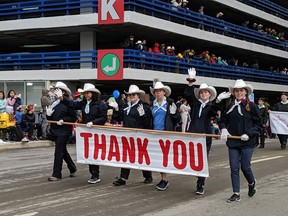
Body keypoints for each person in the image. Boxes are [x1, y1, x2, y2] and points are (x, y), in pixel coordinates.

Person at [184, 68, 231, 195]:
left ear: (209, 94)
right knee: (189, 158)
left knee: (203, 160)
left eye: (206, 92)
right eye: (202, 92)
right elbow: (188, 94)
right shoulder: (195, 103)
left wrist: (218, 101)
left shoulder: (211, 106)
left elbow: (213, 112)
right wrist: (190, 82)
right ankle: (194, 173)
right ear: (199, 94)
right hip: (192, 135)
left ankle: (200, 184)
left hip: (205, 136)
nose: (204, 94)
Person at [219, 79, 262, 203]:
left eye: (241, 90)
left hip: (247, 142)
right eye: (236, 91)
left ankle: (251, 182)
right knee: (234, 167)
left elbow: (259, 124)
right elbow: (223, 120)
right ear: (234, 93)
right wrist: (223, 129)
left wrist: (249, 133)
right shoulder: (230, 106)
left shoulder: (252, 106)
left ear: (245, 92)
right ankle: (236, 193)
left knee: (245, 166)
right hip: (233, 141)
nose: (239, 93)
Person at [59, 83, 108, 184]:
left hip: (96, 131)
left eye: (88, 93)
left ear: (93, 93)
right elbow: (72, 105)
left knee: (95, 152)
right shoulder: (84, 103)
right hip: (87, 132)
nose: (86, 95)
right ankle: (93, 174)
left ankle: (95, 174)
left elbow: (103, 117)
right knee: (90, 152)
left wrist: (94, 122)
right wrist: (62, 98)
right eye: (85, 93)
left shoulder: (100, 104)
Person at [112, 85, 153, 186]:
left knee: (141, 156)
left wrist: (143, 114)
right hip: (128, 135)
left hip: (140, 135)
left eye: (133, 94)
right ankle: (123, 178)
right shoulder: (126, 106)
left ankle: (148, 176)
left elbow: (148, 123)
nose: (131, 96)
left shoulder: (143, 106)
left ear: (138, 95)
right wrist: (116, 109)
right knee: (126, 156)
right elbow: (119, 118)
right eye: (130, 95)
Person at [150, 80, 180, 190]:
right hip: (155, 134)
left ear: (164, 92)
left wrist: (173, 114)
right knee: (158, 157)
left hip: (166, 134)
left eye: (160, 91)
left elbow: (178, 119)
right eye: (156, 91)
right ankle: (162, 178)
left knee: (165, 157)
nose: (158, 93)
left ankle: (165, 179)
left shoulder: (170, 103)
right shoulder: (152, 105)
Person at [46, 82, 77, 181]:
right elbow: (50, 118)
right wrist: (48, 114)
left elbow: (73, 118)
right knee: (63, 150)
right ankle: (72, 168)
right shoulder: (54, 103)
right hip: (55, 130)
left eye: (58, 90)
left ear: (63, 92)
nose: (55, 92)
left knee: (58, 151)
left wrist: (64, 120)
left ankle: (56, 173)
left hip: (64, 131)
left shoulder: (68, 103)